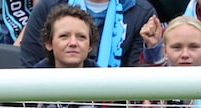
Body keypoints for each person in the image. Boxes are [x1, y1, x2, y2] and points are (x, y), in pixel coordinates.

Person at [19, 0, 158, 68]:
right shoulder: (47, 6)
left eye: (81, 37)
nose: (73, 43)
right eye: (64, 36)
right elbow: (29, 64)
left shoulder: (142, 12)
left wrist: (152, 50)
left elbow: (138, 76)